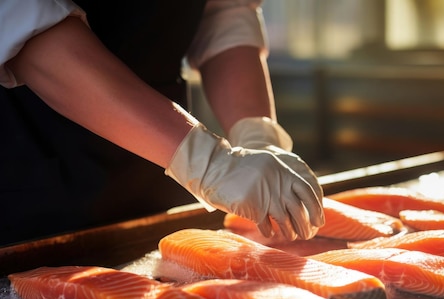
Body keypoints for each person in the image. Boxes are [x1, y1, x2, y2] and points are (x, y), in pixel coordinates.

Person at [0, 0, 325, 246]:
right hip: (35, 165)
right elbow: (25, 28)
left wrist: (257, 134)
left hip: (160, 165)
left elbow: (223, 14)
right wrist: (209, 163)